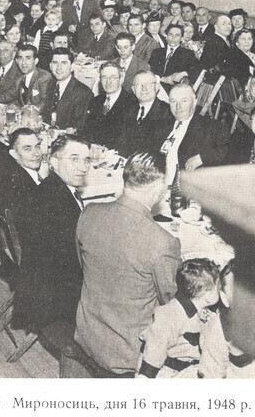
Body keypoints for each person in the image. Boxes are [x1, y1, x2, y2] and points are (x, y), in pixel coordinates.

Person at [74, 152, 181, 377]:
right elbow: (171, 303)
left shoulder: (89, 213)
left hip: (86, 333)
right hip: (127, 353)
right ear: (159, 186)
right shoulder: (164, 242)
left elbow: (83, 267)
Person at [12, 134, 89, 334]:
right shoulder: (55, 200)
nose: (83, 167)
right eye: (74, 159)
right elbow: (74, 260)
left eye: (86, 160)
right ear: (53, 161)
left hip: (41, 286)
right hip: (54, 299)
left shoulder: (52, 189)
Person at [137, 258, 255, 379]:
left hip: (188, 367)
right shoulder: (169, 316)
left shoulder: (202, 309)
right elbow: (155, 350)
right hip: (164, 372)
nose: (221, 292)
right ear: (208, 296)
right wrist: (145, 377)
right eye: (218, 288)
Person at [159, 84, 230, 186]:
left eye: (184, 101)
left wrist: (203, 158)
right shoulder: (163, 125)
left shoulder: (211, 127)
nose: (178, 107)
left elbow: (225, 151)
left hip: (184, 189)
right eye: (173, 101)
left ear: (194, 102)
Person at [118, 71, 173, 157]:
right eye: (139, 84)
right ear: (133, 90)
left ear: (157, 87)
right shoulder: (127, 109)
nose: (144, 88)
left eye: (149, 84)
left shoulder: (167, 112)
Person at [84, 62, 136, 150]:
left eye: (113, 77)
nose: (108, 82)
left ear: (121, 79)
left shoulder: (132, 103)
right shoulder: (95, 101)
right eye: (104, 77)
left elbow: (128, 140)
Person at [45, 48, 93, 132]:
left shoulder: (83, 92)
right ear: (50, 66)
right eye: (55, 63)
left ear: (72, 66)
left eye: (64, 63)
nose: (59, 68)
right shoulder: (50, 85)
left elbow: (79, 128)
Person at [15, 43, 53, 114]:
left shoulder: (44, 77)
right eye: (20, 58)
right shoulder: (19, 80)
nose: (23, 63)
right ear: (17, 61)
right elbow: (20, 103)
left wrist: (25, 111)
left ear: (36, 61)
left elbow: (46, 103)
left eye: (28, 58)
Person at [0, 40, 22, 105]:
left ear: (13, 54)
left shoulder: (19, 71)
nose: (1, 53)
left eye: (6, 50)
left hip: (12, 109)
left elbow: (13, 92)